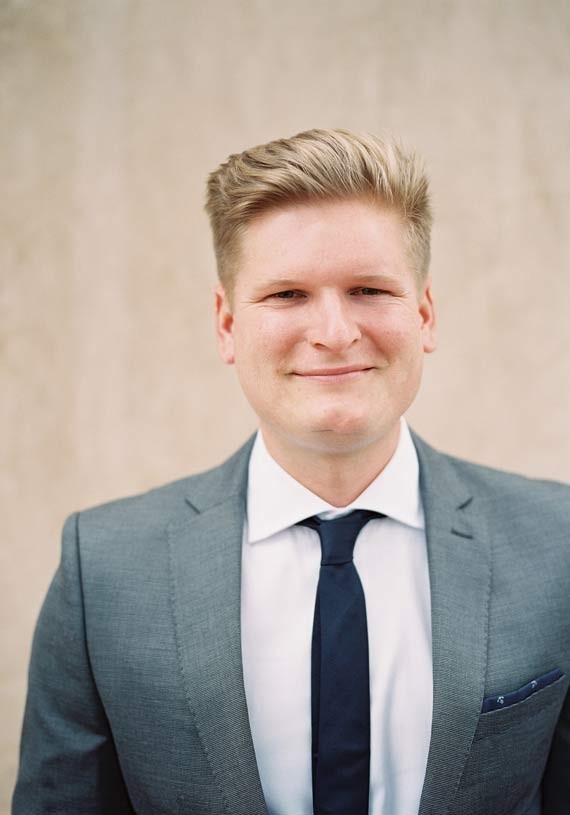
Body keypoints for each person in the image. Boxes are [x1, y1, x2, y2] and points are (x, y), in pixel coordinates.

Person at [13, 129, 570, 815]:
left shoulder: (558, 544)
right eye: (286, 294)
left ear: (424, 313)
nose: (334, 332)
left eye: (369, 288)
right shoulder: (102, 571)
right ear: (226, 324)